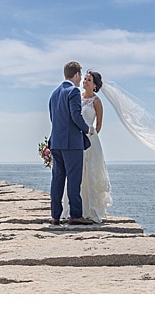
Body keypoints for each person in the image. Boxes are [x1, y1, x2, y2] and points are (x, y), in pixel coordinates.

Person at [61, 70, 112, 223]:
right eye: (84, 79)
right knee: (76, 174)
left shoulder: (96, 102)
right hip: (74, 139)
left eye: (89, 80)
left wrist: (91, 136)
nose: (85, 82)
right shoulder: (77, 96)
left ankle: (90, 210)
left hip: (90, 140)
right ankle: (73, 209)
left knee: (90, 173)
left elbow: (99, 125)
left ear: (95, 85)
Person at [48, 61, 95, 226]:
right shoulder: (73, 91)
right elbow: (76, 115)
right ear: (76, 75)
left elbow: (54, 118)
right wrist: (87, 129)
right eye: (80, 75)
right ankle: (75, 214)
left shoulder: (54, 93)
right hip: (71, 143)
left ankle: (55, 215)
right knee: (74, 180)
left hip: (56, 142)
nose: (80, 79)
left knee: (57, 179)